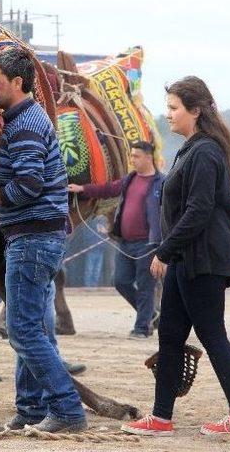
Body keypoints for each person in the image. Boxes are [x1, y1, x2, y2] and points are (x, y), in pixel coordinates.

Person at [121, 76, 230, 436]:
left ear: (195, 111)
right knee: (169, 336)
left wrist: (164, 250)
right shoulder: (188, 150)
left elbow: (198, 210)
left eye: (173, 108)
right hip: (186, 259)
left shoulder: (207, 152)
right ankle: (161, 417)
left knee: (212, 334)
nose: (167, 115)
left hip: (205, 261)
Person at [0, 48, 86, 434]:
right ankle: (30, 410)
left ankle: (68, 410)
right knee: (31, 326)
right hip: (36, 235)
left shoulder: (23, 126)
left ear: (18, 83)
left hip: (34, 238)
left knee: (22, 330)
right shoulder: (25, 119)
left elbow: (29, 184)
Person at [68, 141, 165, 338]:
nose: (132, 160)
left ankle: (142, 328)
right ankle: (150, 315)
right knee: (120, 281)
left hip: (148, 245)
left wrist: (162, 243)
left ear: (148, 157)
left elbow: (170, 212)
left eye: (136, 156)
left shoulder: (161, 183)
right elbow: (107, 189)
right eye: (131, 156)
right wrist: (82, 189)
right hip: (125, 242)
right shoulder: (130, 179)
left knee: (146, 286)